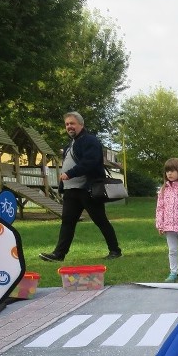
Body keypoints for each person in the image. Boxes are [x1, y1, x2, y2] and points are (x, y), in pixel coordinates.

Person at [40, 111, 121, 262]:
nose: (69, 126)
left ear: (81, 125)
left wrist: (70, 173)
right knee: (67, 222)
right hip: (71, 191)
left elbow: (89, 162)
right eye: (67, 124)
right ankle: (59, 254)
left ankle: (115, 251)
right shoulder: (70, 144)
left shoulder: (90, 140)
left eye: (72, 123)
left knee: (100, 220)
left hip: (87, 190)